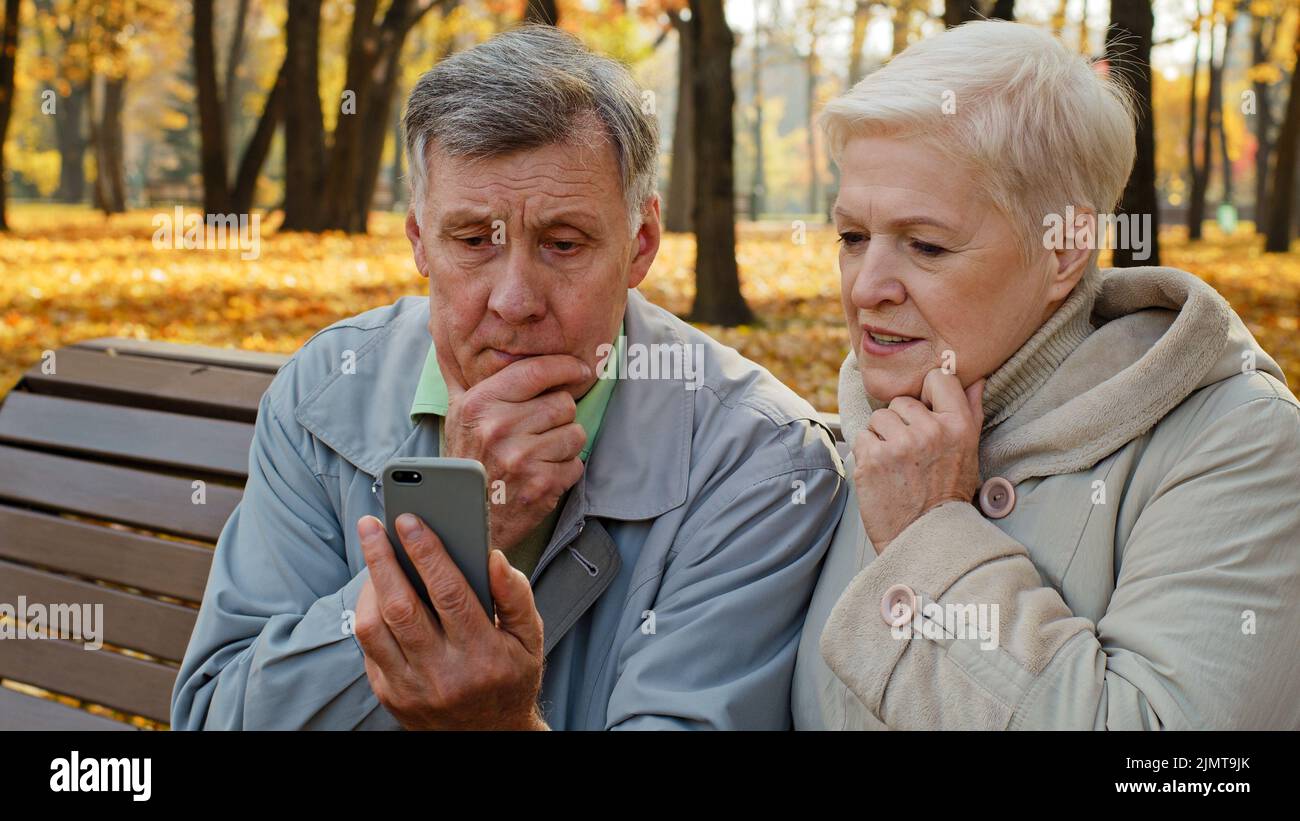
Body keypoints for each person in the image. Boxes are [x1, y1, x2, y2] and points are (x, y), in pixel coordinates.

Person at [172, 25, 845, 730]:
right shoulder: (324, 390)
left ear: (640, 243)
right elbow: (215, 714)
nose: (515, 299)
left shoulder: (761, 461)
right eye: (472, 242)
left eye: (562, 243)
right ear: (419, 241)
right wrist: (450, 537)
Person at [793, 20, 1300, 730]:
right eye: (852, 236)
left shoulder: (1241, 443)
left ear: (1065, 250)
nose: (865, 285)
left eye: (927, 244)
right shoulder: (830, 447)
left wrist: (930, 533)